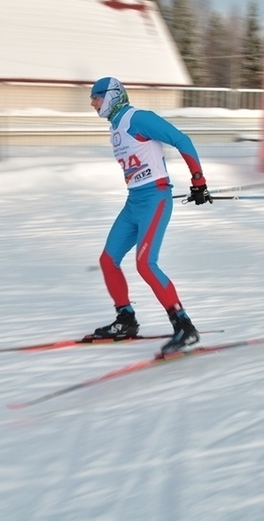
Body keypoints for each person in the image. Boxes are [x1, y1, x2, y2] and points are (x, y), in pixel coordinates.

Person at [84, 76, 212, 355]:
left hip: (155, 199)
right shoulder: (116, 127)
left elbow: (182, 139)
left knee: (145, 264)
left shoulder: (137, 118)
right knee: (108, 260)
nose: (92, 102)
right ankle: (126, 320)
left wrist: (198, 181)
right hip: (134, 202)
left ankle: (184, 326)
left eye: (96, 96)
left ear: (113, 95)